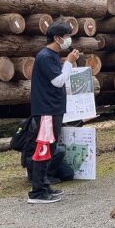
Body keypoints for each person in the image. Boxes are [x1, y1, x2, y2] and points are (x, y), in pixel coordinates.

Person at [28, 21, 80, 204]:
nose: (68, 40)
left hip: (53, 109)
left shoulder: (52, 56)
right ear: (57, 38)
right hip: (46, 111)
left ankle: (44, 184)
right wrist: (69, 62)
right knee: (43, 149)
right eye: (66, 36)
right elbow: (58, 81)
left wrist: (67, 63)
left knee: (49, 149)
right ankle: (37, 192)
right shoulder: (45, 57)